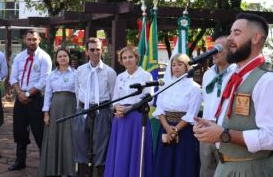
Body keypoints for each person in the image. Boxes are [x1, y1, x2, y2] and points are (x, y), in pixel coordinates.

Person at [193, 13, 273, 177]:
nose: (229, 38)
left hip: (251, 170)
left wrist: (223, 134)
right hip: (226, 167)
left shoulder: (268, 81)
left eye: (236, 33)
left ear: (256, 37)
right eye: (230, 32)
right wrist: (212, 126)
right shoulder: (235, 77)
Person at [104, 45, 154, 177]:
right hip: (120, 119)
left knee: (136, 153)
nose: (127, 60)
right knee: (121, 152)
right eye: (124, 58)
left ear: (136, 58)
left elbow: (149, 100)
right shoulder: (120, 77)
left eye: (130, 57)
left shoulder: (146, 76)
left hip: (137, 119)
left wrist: (129, 109)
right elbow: (115, 99)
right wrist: (118, 108)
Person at [9, 30, 52, 171]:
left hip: (36, 99)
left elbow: (44, 80)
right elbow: (13, 78)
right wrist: (20, 93)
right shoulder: (19, 57)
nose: (32, 42)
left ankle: (45, 164)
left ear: (39, 40)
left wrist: (27, 94)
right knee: (19, 130)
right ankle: (20, 161)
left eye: (34, 39)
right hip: (20, 98)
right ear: (24, 40)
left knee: (39, 132)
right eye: (29, 39)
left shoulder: (44, 57)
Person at [73, 37, 117, 177]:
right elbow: (77, 91)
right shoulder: (79, 70)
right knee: (81, 146)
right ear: (86, 52)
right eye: (92, 49)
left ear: (102, 50)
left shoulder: (110, 72)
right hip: (83, 111)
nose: (95, 52)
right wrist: (79, 111)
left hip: (102, 112)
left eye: (98, 49)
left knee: (101, 148)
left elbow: (113, 95)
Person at [153, 53, 201, 177]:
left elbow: (192, 113)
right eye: (173, 65)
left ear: (187, 67)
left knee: (183, 164)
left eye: (180, 64)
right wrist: (168, 128)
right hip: (166, 128)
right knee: (164, 163)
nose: (176, 67)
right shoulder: (165, 85)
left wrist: (175, 129)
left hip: (184, 131)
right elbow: (160, 109)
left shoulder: (194, 88)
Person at [199, 36, 235, 177]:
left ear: (230, 51)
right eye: (212, 49)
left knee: (226, 170)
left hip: (226, 128)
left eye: (218, 49)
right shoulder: (208, 74)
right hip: (207, 126)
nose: (214, 52)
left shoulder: (236, 73)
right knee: (207, 168)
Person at [39, 48, 77, 177]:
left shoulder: (76, 74)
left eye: (65, 56)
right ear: (56, 59)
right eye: (60, 56)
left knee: (69, 138)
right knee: (54, 138)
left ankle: (69, 170)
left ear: (69, 58)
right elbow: (48, 95)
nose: (62, 58)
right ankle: (54, 170)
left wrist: (79, 112)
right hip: (55, 110)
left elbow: (79, 94)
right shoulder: (51, 75)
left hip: (71, 108)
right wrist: (46, 113)